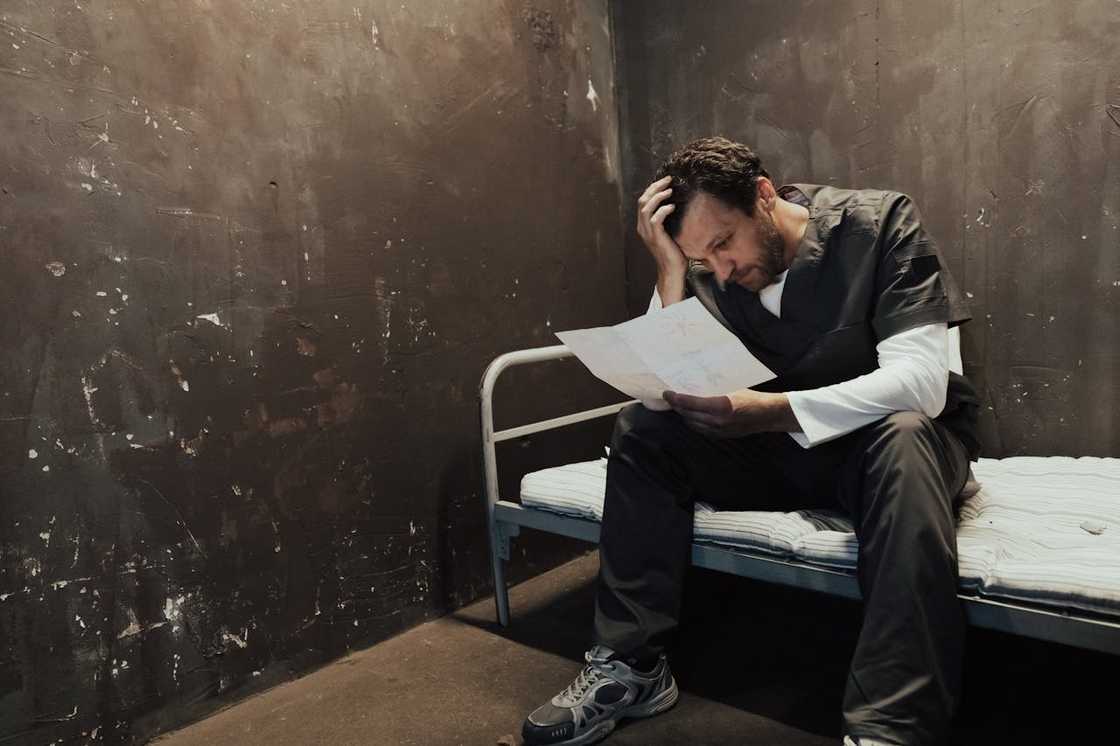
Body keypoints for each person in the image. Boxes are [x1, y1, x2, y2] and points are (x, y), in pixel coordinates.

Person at [521, 136, 981, 746]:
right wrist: (672, 270)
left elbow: (922, 386)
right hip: (778, 451)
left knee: (902, 434)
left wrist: (776, 411)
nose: (725, 268)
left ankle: (892, 726)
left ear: (764, 195)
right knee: (643, 428)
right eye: (703, 259)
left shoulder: (879, 224)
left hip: (888, 456)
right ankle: (632, 666)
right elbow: (663, 381)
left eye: (723, 242)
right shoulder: (702, 268)